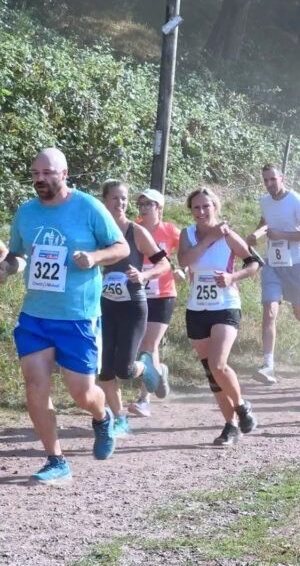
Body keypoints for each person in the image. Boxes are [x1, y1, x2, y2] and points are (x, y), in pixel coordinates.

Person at [2, 148, 128, 483]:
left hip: (77, 315)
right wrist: (6, 268)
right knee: (35, 386)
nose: (40, 180)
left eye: (47, 173)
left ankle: (102, 417)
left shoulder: (88, 207)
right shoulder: (26, 213)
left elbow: (121, 248)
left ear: (64, 173)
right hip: (36, 315)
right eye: (35, 174)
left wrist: (95, 256)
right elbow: (18, 255)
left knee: (81, 392)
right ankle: (55, 460)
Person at [178, 187, 261, 446]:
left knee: (218, 363)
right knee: (211, 372)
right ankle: (230, 426)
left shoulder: (228, 236)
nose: (201, 212)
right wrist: (207, 240)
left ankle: (241, 406)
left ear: (216, 207)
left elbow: (254, 263)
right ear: (191, 211)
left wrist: (232, 277)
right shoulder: (188, 234)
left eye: (206, 206)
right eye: (196, 208)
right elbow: (184, 261)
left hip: (225, 305)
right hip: (196, 308)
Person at [97, 180, 170, 438]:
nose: (121, 203)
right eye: (115, 198)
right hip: (103, 306)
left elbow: (165, 264)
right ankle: (120, 419)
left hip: (132, 307)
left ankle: (148, 367)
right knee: (103, 370)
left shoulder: (135, 231)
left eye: (124, 199)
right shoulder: (96, 232)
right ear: (104, 201)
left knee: (124, 370)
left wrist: (145, 275)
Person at [246, 164, 300, 385]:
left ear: (282, 178)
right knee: (269, 311)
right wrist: (256, 235)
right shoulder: (264, 201)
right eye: (265, 180)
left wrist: (283, 235)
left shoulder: (296, 200)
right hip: (272, 263)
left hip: (296, 265)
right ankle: (268, 365)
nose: (269, 184)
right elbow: (265, 223)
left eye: (272, 179)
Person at [128, 189, 184, 417]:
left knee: (148, 346)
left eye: (148, 204)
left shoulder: (170, 230)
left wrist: (183, 269)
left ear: (159, 208)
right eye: (141, 203)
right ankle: (159, 372)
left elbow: (188, 253)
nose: (143, 207)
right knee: (142, 344)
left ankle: (144, 400)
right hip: (137, 293)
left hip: (163, 294)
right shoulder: (133, 229)